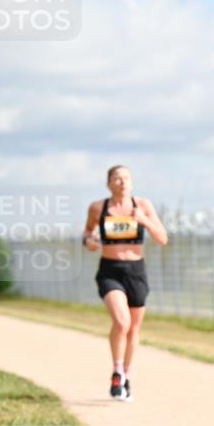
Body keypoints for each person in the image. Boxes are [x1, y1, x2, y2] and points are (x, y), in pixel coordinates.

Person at [83, 165, 168, 401]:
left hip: (136, 271)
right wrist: (90, 241)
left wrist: (144, 221)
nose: (122, 182)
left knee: (133, 329)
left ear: (131, 182)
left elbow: (162, 239)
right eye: (117, 178)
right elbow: (87, 233)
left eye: (126, 178)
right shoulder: (98, 208)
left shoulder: (143, 206)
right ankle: (117, 371)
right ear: (109, 183)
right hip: (110, 270)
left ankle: (127, 375)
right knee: (121, 321)